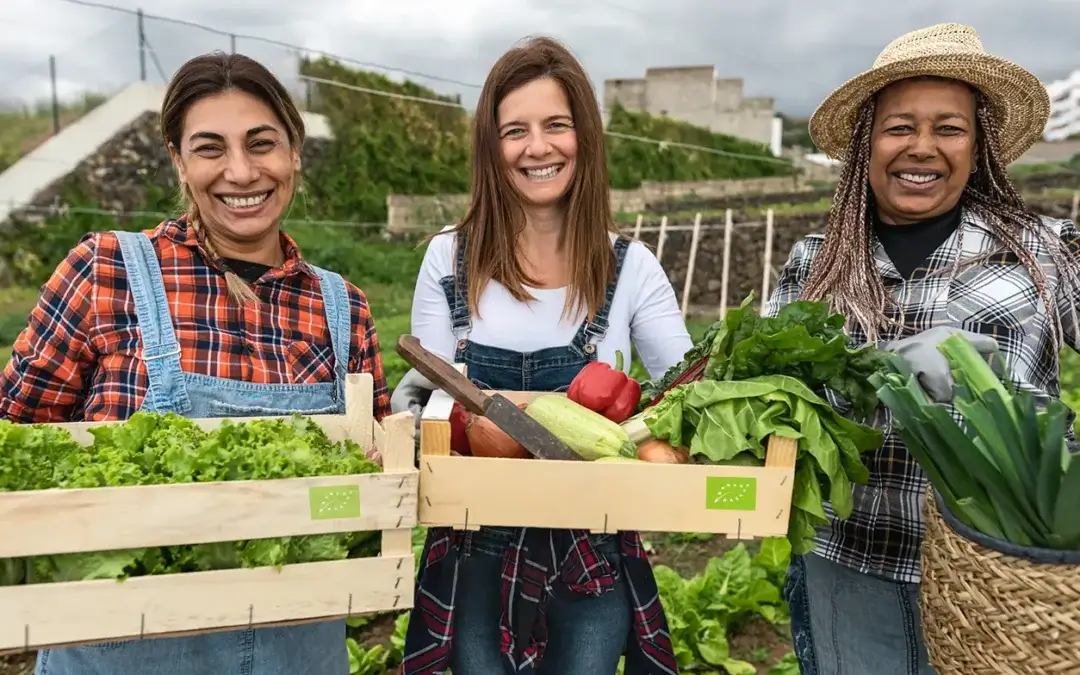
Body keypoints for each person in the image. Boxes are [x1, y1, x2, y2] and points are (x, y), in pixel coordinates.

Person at [0, 52, 392, 675]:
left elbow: (361, 500)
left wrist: (370, 477)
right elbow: (15, 450)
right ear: (179, 162)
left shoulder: (342, 308)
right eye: (211, 148)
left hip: (299, 651)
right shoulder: (105, 273)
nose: (241, 171)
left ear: (294, 153)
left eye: (261, 143)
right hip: (120, 651)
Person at [763, 23, 1080, 675]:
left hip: (1001, 581)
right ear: (868, 142)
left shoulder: (1045, 252)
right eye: (900, 126)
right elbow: (768, 405)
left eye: (949, 128)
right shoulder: (814, 265)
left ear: (979, 142)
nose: (923, 148)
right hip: (848, 568)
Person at [391, 36, 692, 675]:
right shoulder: (449, 258)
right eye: (514, 131)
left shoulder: (629, 268)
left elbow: (684, 391)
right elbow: (430, 402)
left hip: (592, 546)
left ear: (583, 136)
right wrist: (533, 411)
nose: (537, 147)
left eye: (556, 125)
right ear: (491, 147)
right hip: (473, 542)